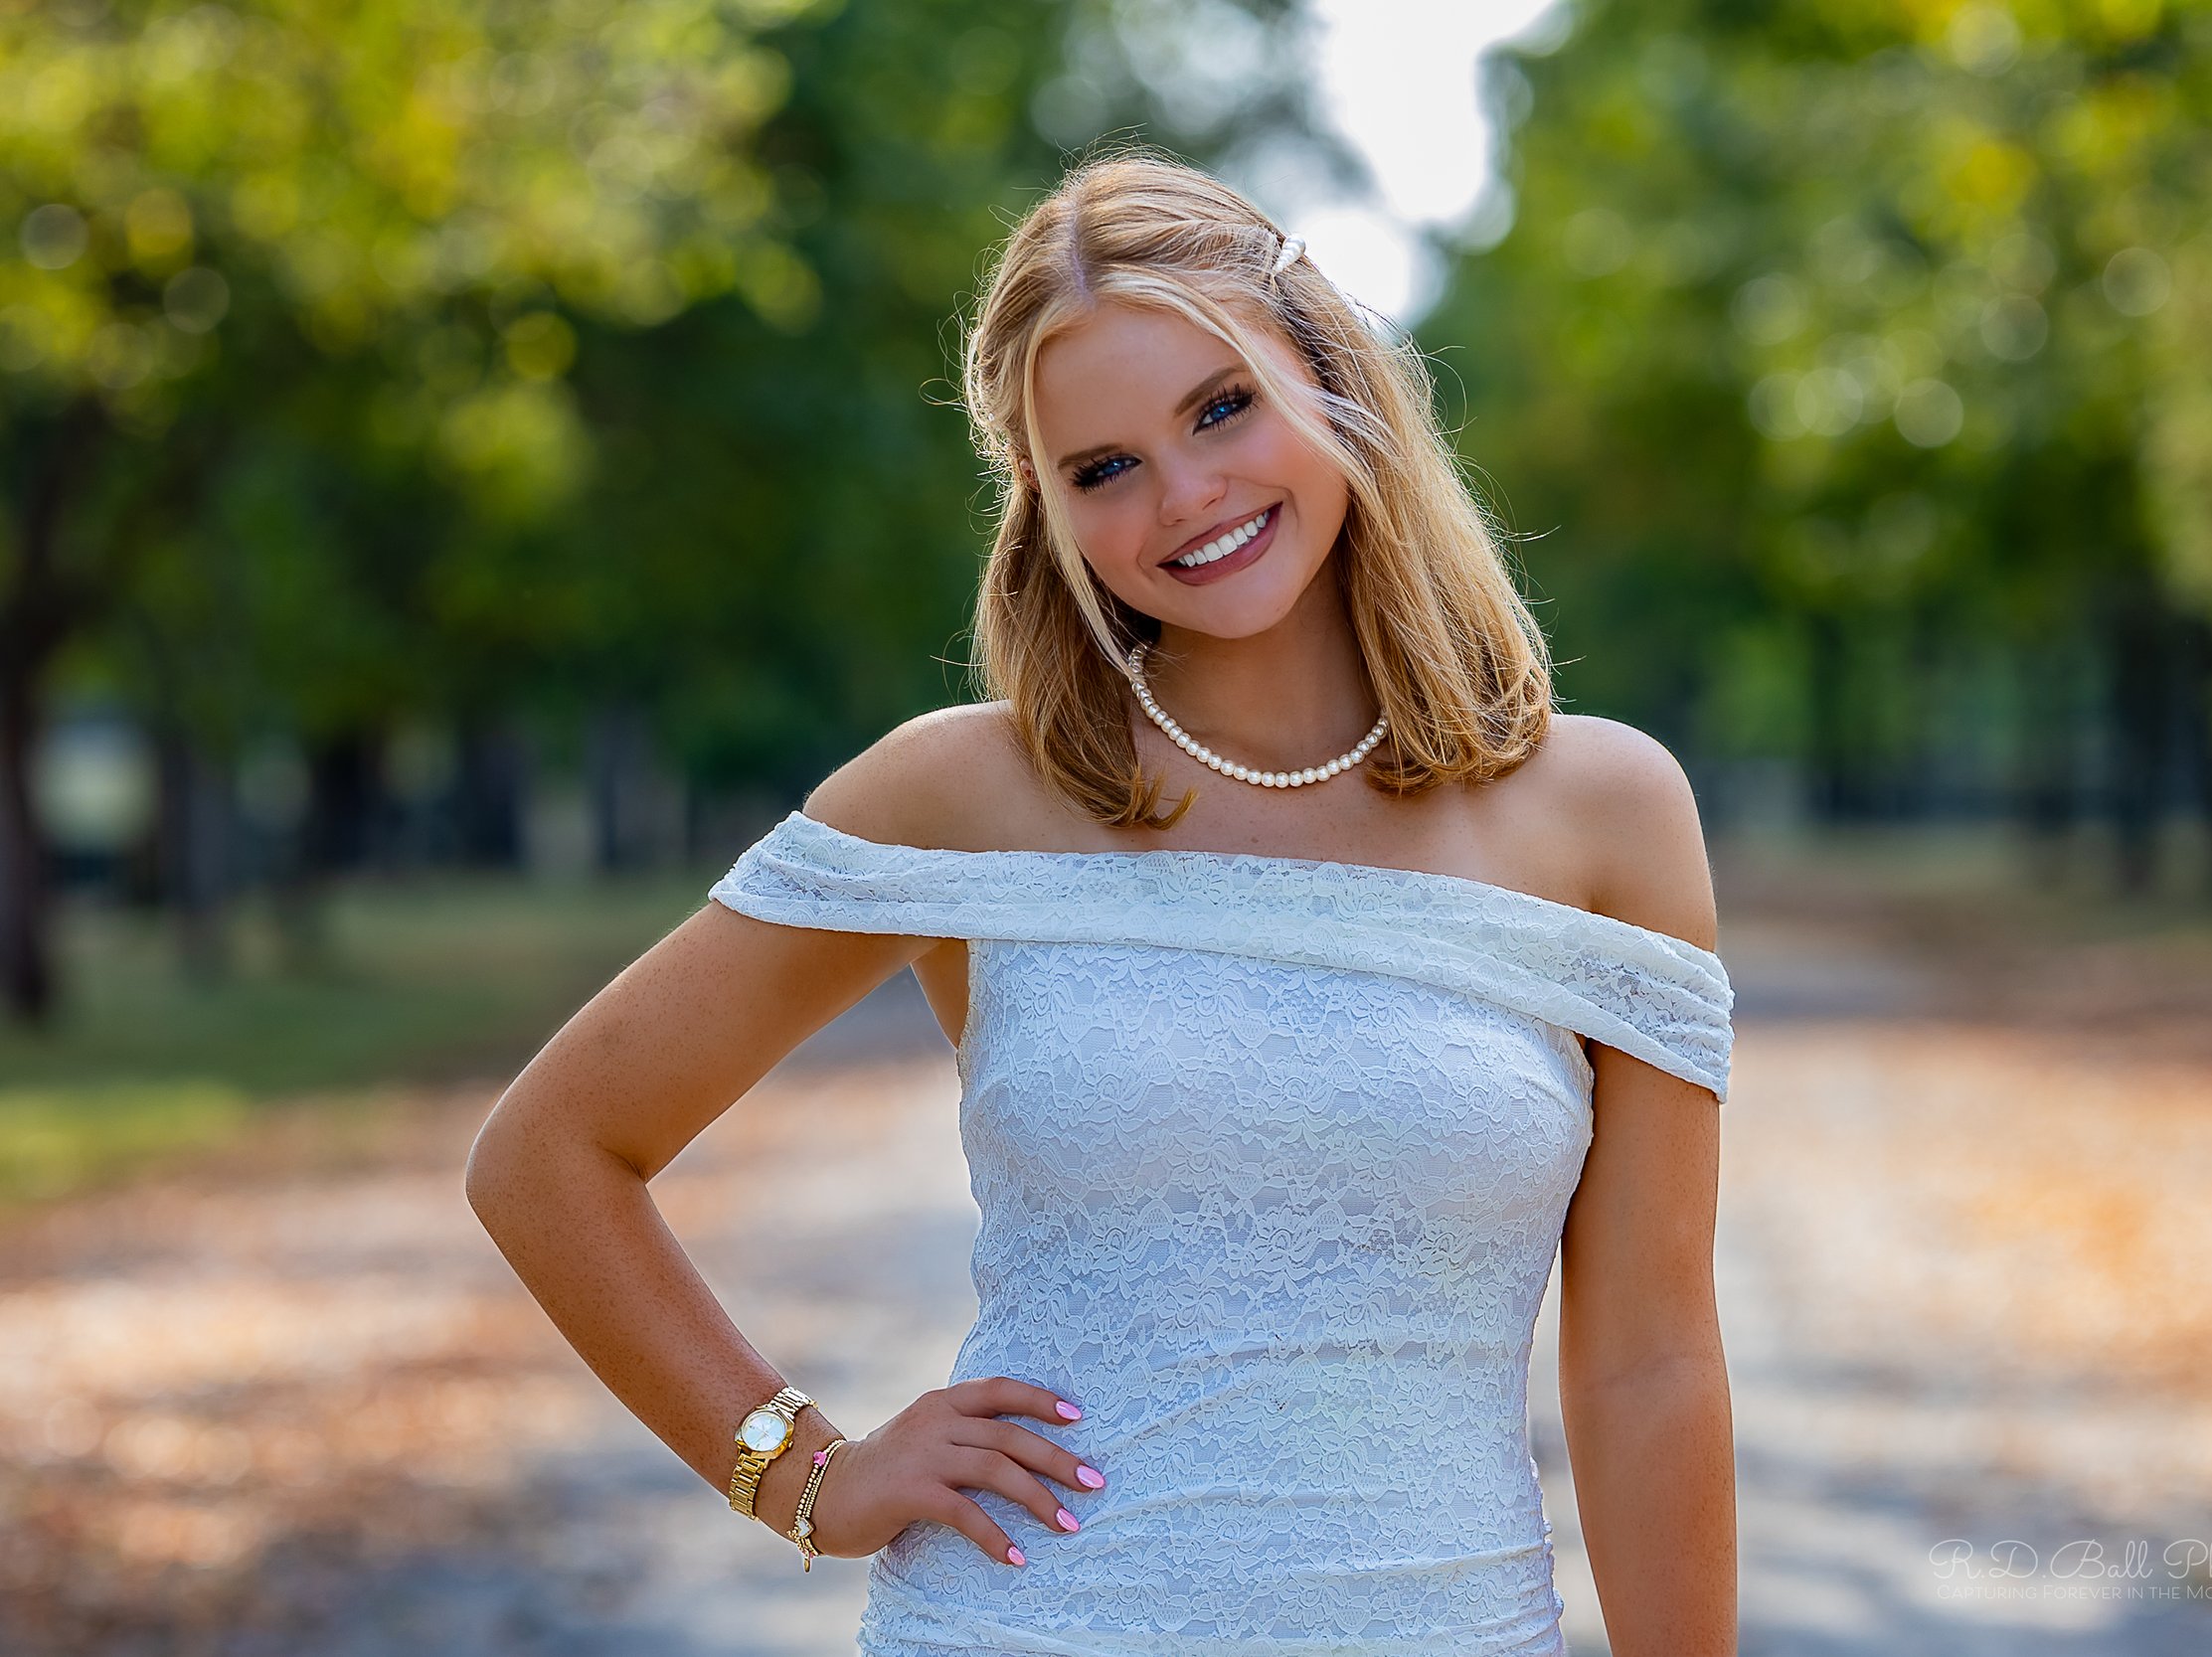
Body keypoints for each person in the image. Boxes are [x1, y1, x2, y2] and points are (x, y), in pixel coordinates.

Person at [464, 145, 1737, 1656]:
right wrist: (801, 1472)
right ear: (1049, 513)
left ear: (1330, 379)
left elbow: (1648, 1362)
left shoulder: (1606, 814)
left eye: (1221, 408)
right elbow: (548, 1155)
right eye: (1104, 468)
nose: (1187, 496)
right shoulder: (961, 799)